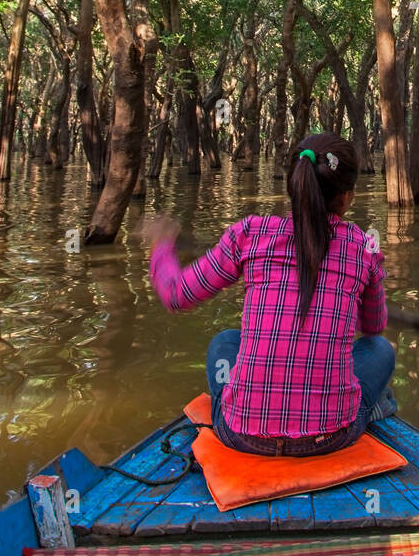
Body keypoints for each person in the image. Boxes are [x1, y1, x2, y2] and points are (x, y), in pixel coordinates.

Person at [143, 132, 397, 457]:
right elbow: (373, 326)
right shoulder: (363, 247)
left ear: (292, 185)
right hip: (331, 436)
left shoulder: (249, 235)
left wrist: (162, 245)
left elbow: (175, 294)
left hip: (242, 435)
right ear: (346, 197)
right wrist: (363, 285)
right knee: (379, 349)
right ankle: (367, 411)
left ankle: (240, 408)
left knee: (223, 342)